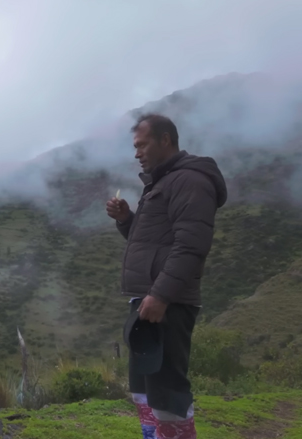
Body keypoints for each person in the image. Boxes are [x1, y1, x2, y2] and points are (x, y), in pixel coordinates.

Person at [105, 113, 228, 439]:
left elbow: (191, 246)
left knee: (167, 396)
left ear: (165, 140)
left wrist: (160, 295)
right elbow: (151, 242)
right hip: (149, 301)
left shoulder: (190, 181)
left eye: (142, 145)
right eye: (135, 146)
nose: (137, 153)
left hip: (166, 303)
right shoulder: (161, 182)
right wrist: (126, 219)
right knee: (145, 393)